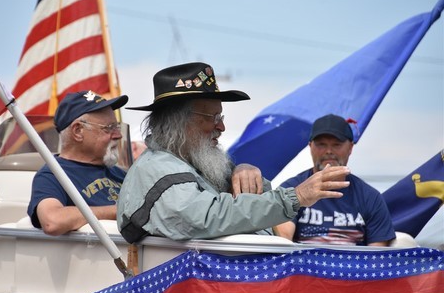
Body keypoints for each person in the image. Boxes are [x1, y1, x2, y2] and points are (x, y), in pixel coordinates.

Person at [117, 62, 351, 243]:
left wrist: (246, 170)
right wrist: (296, 197)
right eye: (213, 118)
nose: (221, 127)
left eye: (221, 117)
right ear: (179, 123)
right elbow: (207, 217)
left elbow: (257, 201)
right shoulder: (157, 169)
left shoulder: (193, 160)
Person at [274, 114, 396, 246]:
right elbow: (282, 242)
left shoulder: (370, 198)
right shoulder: (291, 190)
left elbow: (377, 257)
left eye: (336, 145)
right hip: (301, 266)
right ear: (310, 147)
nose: (328, 151)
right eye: (321, 144)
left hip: (354, 266)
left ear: (350, 148)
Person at [27, 90, 128, 236]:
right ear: (78, 131)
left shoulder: (121, 174)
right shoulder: (53, 175)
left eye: (117, 126)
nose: (118, 135)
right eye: (109, 128)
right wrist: (118, 211)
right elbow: (52, 221)